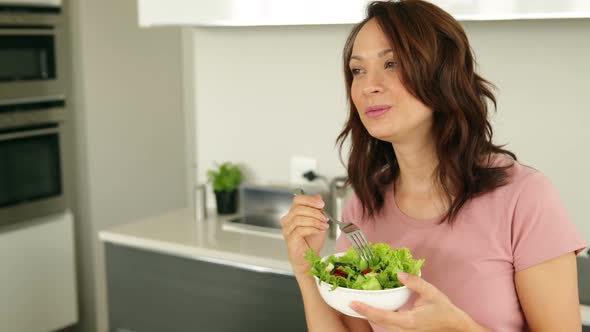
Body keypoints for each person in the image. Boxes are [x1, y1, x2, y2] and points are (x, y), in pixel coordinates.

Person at [280, 0, 587, 331]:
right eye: (358, 70)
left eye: (392, 63)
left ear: (443, 73)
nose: (369, 85)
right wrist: (305, 270)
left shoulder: (523, 197)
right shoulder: (363, 207)